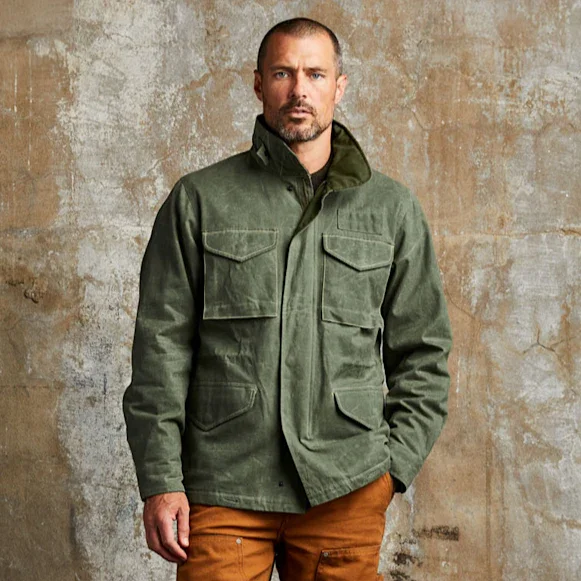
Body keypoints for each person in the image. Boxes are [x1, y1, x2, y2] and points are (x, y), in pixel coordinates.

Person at [123, 17, 452, 581]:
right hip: (224, 485)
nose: (299, 89)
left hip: (346, 487)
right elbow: (161, 348)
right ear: (258, 84)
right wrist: (160, 480)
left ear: (339, 86)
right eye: (283, 73)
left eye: (315, 74)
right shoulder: (200, 199)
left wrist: (390, 470)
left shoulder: (391, 210)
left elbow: (424, 353)